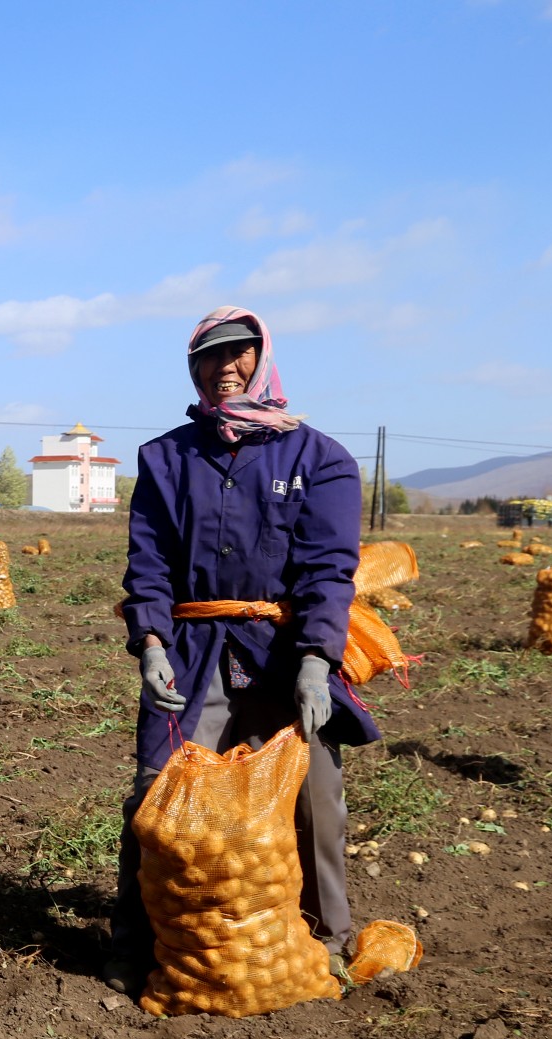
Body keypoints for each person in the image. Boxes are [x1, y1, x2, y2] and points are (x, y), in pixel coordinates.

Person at [106, 306, 377, 993]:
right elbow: (150, 562)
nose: (225, 367)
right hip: (193, 650)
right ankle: (138, 939)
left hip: (280, 652)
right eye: (209, 356)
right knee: (158, 792)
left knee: (315, 792)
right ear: (192, 368)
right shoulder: (165, 458)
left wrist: (317, 659)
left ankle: (328, 940)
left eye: (240, 353)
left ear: (263, 357)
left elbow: (328, 571)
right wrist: (151, 640)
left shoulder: (321, 459)